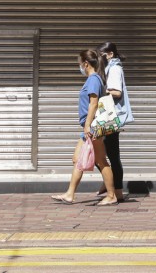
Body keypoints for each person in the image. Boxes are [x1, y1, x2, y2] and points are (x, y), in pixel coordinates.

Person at [51, 49, 118, 206]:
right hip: (89, 127)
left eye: (80, 64)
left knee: (101, 160)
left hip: (92, 127)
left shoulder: (93, 79)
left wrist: (87, 125)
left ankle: (111, 195)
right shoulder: (93, 79)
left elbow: (93, 103)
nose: (79, 67)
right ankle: (70, 194)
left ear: (86, 64)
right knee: (78, 159)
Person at [96, 41, 134, 202]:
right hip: (109, 117)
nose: (99, 59)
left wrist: (101, 91)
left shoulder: (115, 69)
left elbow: (117, 92)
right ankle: (113, 186)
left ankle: (115, 189)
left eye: (101, 56)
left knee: (106, 155)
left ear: (110, 54)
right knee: (107, 154)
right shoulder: (110, 68)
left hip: (111, 117)